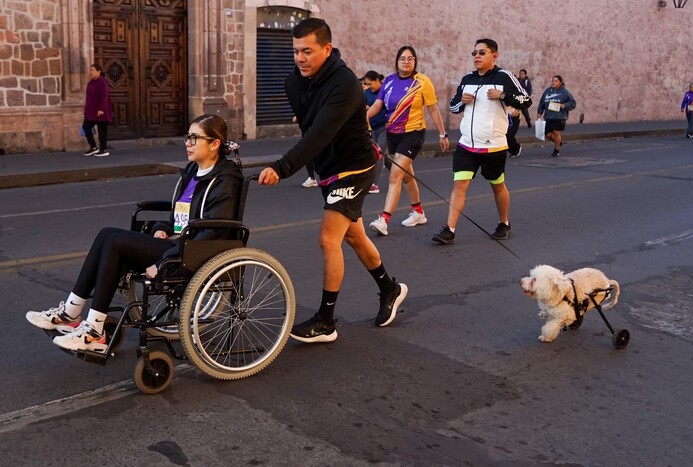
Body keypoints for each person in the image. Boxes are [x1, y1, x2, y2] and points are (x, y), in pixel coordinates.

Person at [26, 114, 244, 352]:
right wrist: (163, 228)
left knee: (115, 242)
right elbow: (179, 215)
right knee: (106, 235)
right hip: (176, 243)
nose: (187, 143)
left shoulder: (226, 179)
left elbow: (213, 230)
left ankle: (93, 330)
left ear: (214, 144)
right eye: (187, 137)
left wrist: (165, 262)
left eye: (194, 138)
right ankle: (73, 313)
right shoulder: (193, 170)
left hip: (191, 252)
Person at [258, 18, 407, 343]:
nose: (300, 58)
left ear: (326, 49)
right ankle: (390, 289)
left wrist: (283, 167)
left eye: (308, 51)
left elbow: (320, 132)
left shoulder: (344, 83)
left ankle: (326, 321)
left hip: (354, 168)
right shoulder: (292, 83)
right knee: (353, 236)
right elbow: (309, 129)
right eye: (296, 51)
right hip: (329, 171)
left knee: (329, 239)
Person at [432, 38, 531, 245]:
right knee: (459, 185)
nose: (476, 56)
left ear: (494, 55)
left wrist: (503, 95)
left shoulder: (504, 77)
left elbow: (526, 99)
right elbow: (452, 107)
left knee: (497, 186)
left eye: (482, 53)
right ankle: (449, 229)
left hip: (493, 146)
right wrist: (461, 101)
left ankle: (504, 222)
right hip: (466, 144)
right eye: (474, 53)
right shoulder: (467, 78)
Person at [366, 46, 449, 236]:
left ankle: (384, 220)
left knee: (395, 175)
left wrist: (442, 134)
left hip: (413, 134)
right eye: (403, 58)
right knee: (407, 176)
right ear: (397, 61)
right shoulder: (388, 81)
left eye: (410, 59)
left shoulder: (422, 82)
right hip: (392, 134)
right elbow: (378, 105)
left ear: (415, 61)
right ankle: (418, 212)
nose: (406, 62)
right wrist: (364, 117)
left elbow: (433, 109)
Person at [537, 75, 576, 157]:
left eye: (556, 81)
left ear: (560, 82)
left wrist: (564, 105)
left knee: (556, 133)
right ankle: (559, 142)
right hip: (548, 116)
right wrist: (540, 112)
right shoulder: (547, 91)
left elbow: (573, 103)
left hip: (559, 116)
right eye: (553, 81)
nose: (553, 82)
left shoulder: (564, 92)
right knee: (547, 134)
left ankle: (556, 150)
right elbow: (542, 102)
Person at [82, 64, 113, 157]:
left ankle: (103, 149)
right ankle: (93, 147)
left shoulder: (102, 82)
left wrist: (101, 108)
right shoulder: (90, 83)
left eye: (92, 70)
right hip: (91, 111)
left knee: (102, 130)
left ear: (98, 71)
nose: (90, 72)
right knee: (86, 128)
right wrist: (86, 110)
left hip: (100, 111)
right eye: (90, 70)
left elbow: (104, 97)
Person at [363, 70, 386, 194]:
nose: (368, 86)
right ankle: (401, 175)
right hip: (374, 128)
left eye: (370, 83)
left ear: (377, 80)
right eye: (366, 84)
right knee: (381, 155)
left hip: (386, 128)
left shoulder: (386, 91)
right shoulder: (367, 93)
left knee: (379, 153)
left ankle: (375, 184)